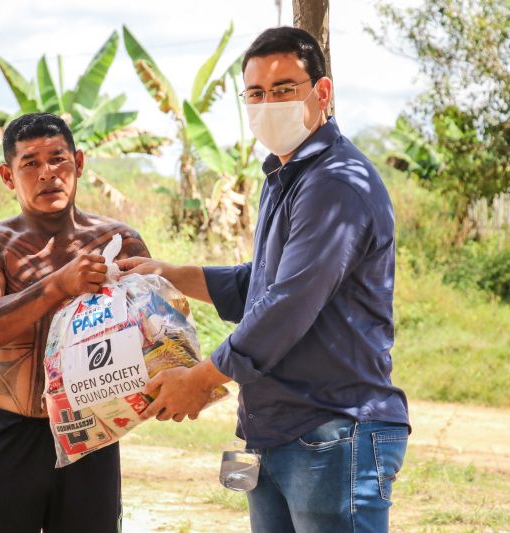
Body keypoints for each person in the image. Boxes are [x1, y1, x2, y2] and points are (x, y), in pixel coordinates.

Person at [117, 27, 410, 533]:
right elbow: (263, 283)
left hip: (333, 427)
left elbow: (287, 305)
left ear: (322, 93)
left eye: (283, 89)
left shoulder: (335, 183)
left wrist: (200, 379)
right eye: (255, 93)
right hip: (277, 430)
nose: (267, 103)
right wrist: (170, 274)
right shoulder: (284, 175)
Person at [0, 112, 149, 533]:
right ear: (8, 176)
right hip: (9, 434)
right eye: (30, 163)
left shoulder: (118, 242)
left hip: (91, 436)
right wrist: (57, 286)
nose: (48, 173)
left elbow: (153, 332)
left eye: (58, 159)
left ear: (79, 163)